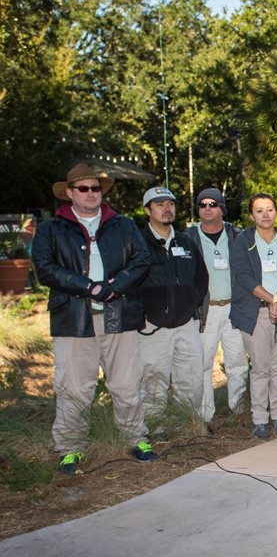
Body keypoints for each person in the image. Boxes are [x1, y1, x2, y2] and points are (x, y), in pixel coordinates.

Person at [32, 163, 153, 474]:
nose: (90, 194)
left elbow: (142, 261)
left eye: (95, 188)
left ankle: (135, 438)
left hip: (119, 316)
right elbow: (45, 268)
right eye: (83, 188)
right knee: (74, 386)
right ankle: (70, 448)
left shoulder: (123, 225)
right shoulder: (51, 229)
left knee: (127, 383)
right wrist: (89, 287)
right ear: (70, 193)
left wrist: (115, 286)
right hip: (74, 319)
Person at [230, 194, 277, 439]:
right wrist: (272, 300)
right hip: (255, 311)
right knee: (260, 368)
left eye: (269, 209)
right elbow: (243, 276)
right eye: (259, 210)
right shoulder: (243, 242)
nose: (265, 214)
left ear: (276, 212)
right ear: (252, 215)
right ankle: (259, 418)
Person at [135, 186, 208, 419]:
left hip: (186, 324)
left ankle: (186, 424)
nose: (167, 209)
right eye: (160, 204)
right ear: (147, 210)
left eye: (171, 204)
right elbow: (129, 283)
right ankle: (154, 429)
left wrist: (191, 302)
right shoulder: (137, 243)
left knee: (191, 377)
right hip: (152, 327)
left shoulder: (186, 242)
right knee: (153, 381)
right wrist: (144, 312)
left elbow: (201, 277)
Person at [187, 188, 248, 423]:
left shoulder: (237, 235)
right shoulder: (189, 237)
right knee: (203, 365)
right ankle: (204, 417)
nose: (208, 208)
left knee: (238, 363)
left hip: (234, 308)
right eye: (202, 204)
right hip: (205, 310)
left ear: (222, 208)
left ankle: (239, 411)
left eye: (213, 204)